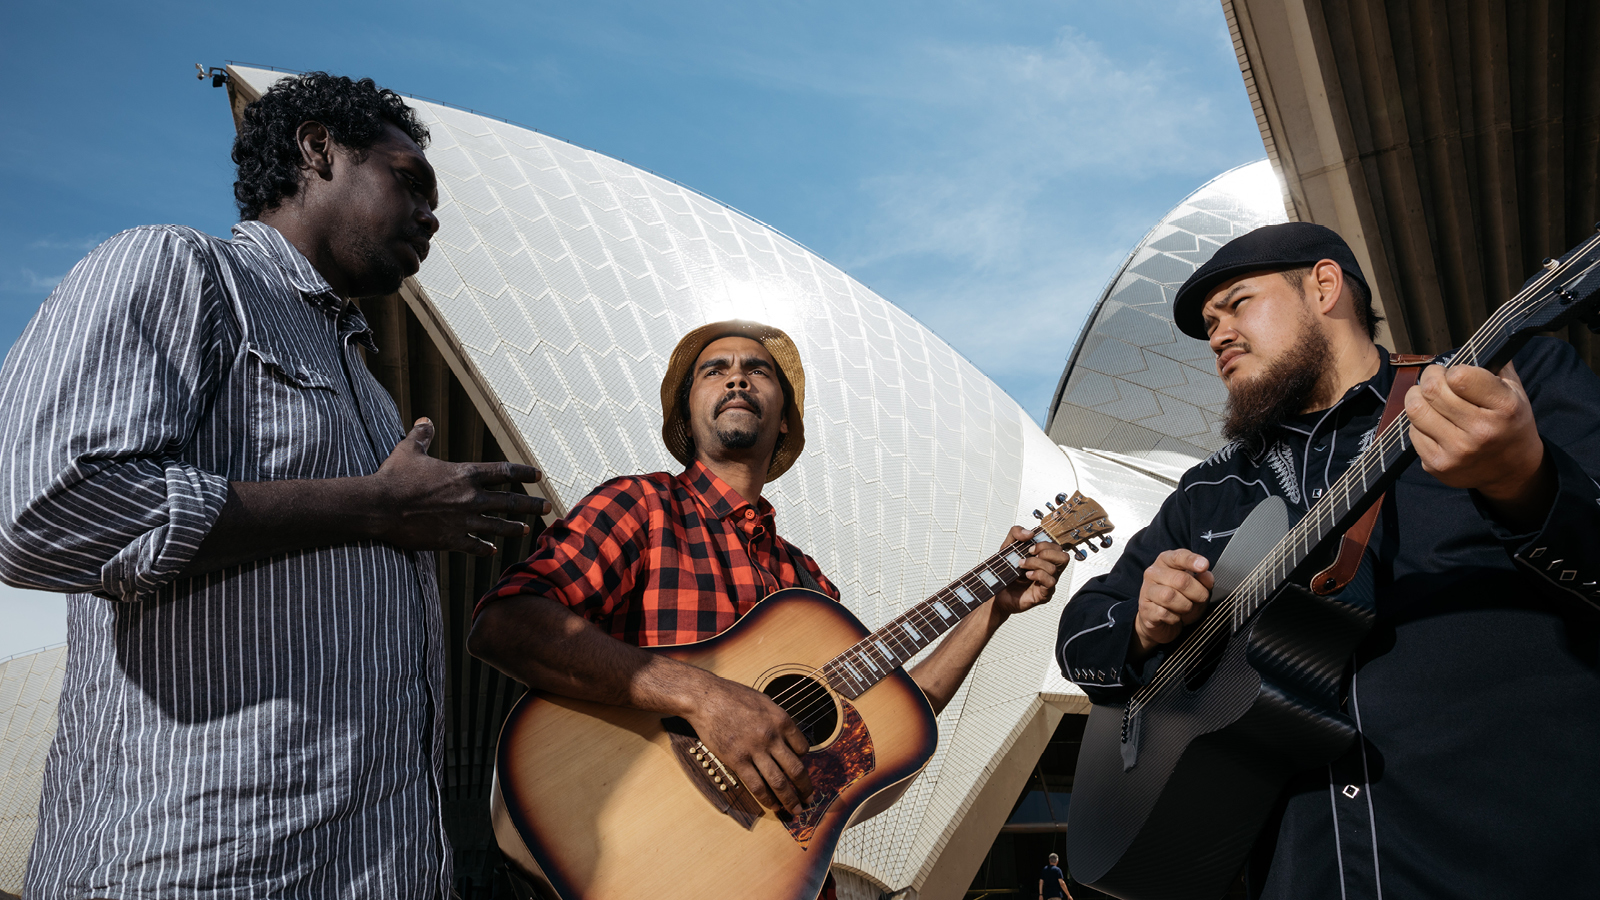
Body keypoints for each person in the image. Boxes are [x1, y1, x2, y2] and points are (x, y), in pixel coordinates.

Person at [0, 72, 549, 898]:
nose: (433, 217)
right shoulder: (180, 271)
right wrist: (377, 505)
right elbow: (45, 507)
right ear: (318, 148)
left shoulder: (368, 388)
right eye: (411, 183)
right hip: (198, 868)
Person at [1056, 222, 1600, 899]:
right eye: (1207, 324)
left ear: (1324, 286)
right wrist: (1139, 625)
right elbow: (1080, 628)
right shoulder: (1207, 492)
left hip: (1509, 865)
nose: (1217, 334)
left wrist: (1526, 480)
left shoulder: (1505, 387)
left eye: (1238, 304)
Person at [470, 320, 1068, 896]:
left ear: (783, 422)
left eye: (758, 371)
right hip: (638, 844)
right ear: (687, 415)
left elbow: (894, 723)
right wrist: (703, 697)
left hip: (768, 872)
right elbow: (508, 622)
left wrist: (990, 608)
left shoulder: (808, 585)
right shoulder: (642, 506)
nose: (737, 379)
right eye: (715, 371)